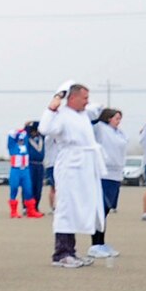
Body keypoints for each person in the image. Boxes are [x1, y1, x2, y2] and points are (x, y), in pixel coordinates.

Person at [43, 84, 103, 267]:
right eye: (84, 98)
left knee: (79, 208)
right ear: (73, 98)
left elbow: (98, 109)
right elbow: (45, 128)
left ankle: (71, 251)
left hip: (85, 166)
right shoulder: (61, 115)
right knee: (66, 208)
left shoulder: (83, 115)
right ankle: (61, 253)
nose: (87, 101)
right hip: (70, 166)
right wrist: (54, 103)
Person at [89, 108, 126, 258]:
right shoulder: (100, 128)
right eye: (116, 118)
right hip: (103, 173)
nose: (119, 121)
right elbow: (90, 120)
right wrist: (98, 110)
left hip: (116, 175)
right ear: (108, 118)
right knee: (100, 211)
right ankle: (95, 245)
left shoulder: (120, 133)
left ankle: (102, 243)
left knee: (107, 210)